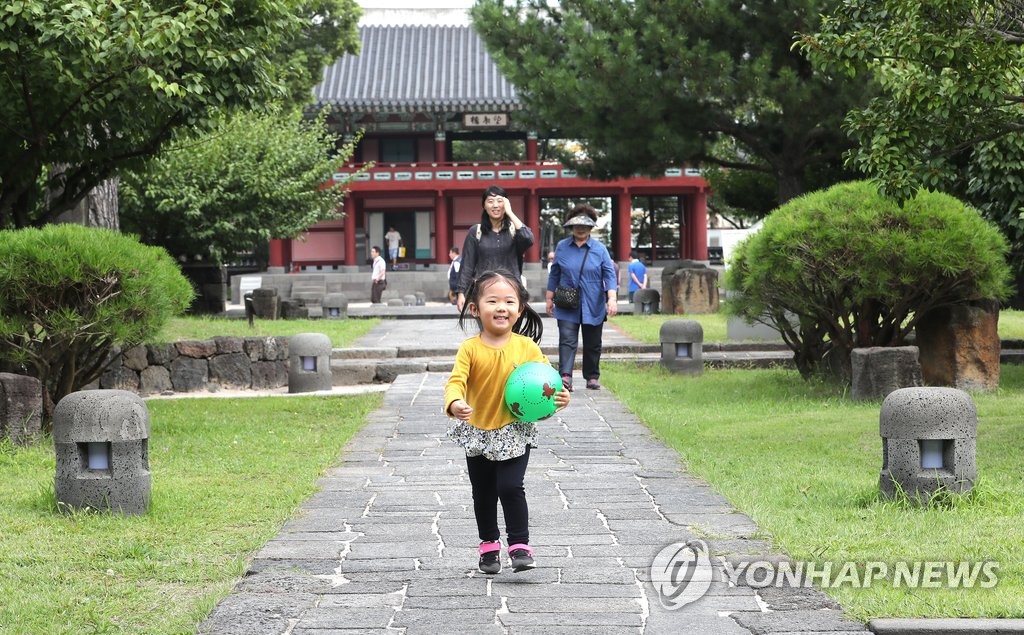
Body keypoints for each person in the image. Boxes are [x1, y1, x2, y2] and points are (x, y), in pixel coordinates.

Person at [444, 269, 570, 574]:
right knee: (483, 492)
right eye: (493, 301)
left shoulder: (527, 348)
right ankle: (489, 547)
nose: (502, 307)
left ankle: (519, 546)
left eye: (509, 301)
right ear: (475, 308)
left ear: (520, 309)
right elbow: (456, 381)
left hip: (514, 430)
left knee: (511, 487)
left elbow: (546, 381)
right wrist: (455, 402)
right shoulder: (470, 349)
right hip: (478, 431)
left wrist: (559, 398)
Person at [545, 204, 618, 391]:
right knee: (567, 340)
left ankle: (592, 376)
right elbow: (555, 273)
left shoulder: (600, 249)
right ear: (571, 226)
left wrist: (612, 299)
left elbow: (609, 274)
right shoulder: (562, 246)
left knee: (593, 342)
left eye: (584, 225)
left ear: (591, 227)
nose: (580, 228)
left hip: (593, 302)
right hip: (566, 301)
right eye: (576, 225)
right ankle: (566, 376)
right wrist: (549, 297)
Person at [456, 185, 534, 312]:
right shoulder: (476, 231)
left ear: (506, 203)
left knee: (510, 330)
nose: (495, 205)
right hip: (484, 291)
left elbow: (529, 239)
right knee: (487, 330)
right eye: (490, 201)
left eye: (500, 201)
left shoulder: (514, 231)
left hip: (511, 290)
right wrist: (461, 293)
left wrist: (510, 212)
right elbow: (467, 265)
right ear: (484, 205)